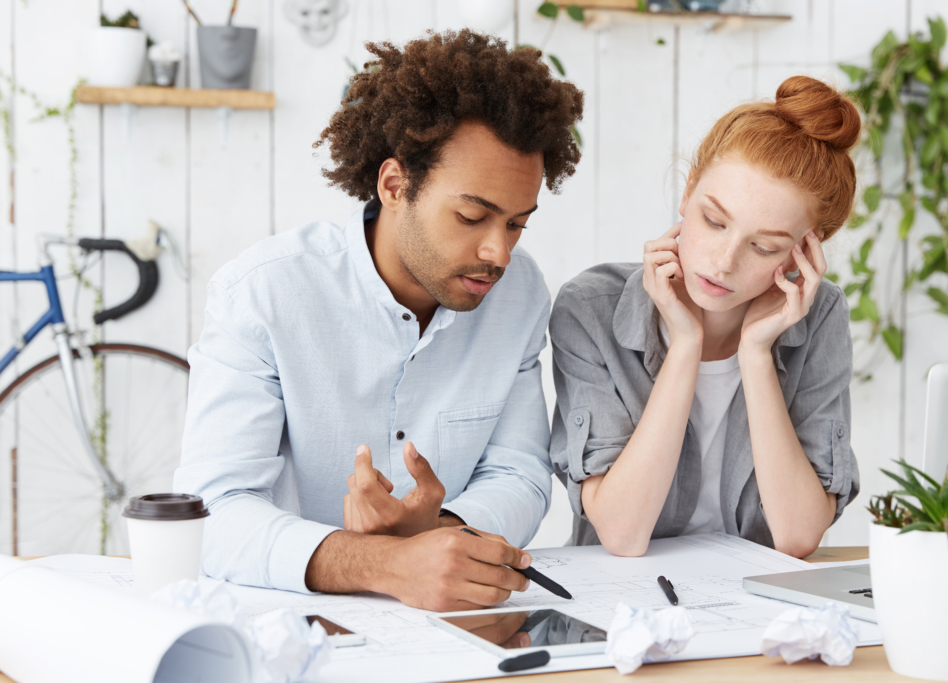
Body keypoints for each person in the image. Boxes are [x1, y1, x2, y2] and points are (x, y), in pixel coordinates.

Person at [174, 29, 584, 611]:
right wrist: (386, 564)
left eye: (517, 223)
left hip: (455, 626)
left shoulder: (518, 293)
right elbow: (210, 510)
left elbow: (520, 472)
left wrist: (441, 529)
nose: (500, 252)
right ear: (395, 185)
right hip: (289, 627)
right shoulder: (264, 294)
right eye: (473, 216)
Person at [549, 76, 860, 558]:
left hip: (751, 607)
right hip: (624, 608)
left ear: (803, 251)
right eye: (714, 221)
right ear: (688, 191)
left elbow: (797, 537)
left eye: (764, 247)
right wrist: (685, 346)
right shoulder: (590, 308)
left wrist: (755, 355)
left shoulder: (819, 317)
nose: (724, 261)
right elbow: (622, 533)